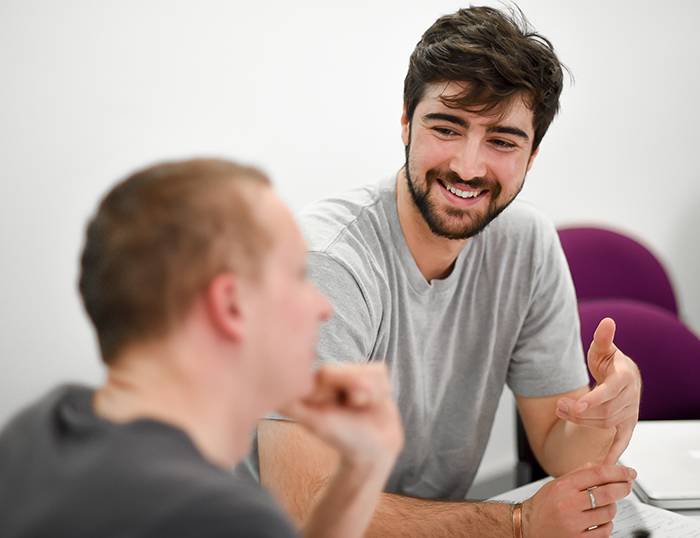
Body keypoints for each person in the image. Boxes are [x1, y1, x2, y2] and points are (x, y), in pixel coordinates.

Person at [254, 6, 642, 537]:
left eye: (502, 141)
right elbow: (304, 507)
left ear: (531, 158)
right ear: (406, 123)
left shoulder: (526, 247)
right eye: (447, 127)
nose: (468, 166)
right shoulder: (325, 264)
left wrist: (616, 404)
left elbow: (560, 446)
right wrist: (519, 522)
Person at [0, 158, 404, 538]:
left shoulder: (36, 432)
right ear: (231, 306)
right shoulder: (219, 519)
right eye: (298, 275)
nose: (323, 306)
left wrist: (362, 470)